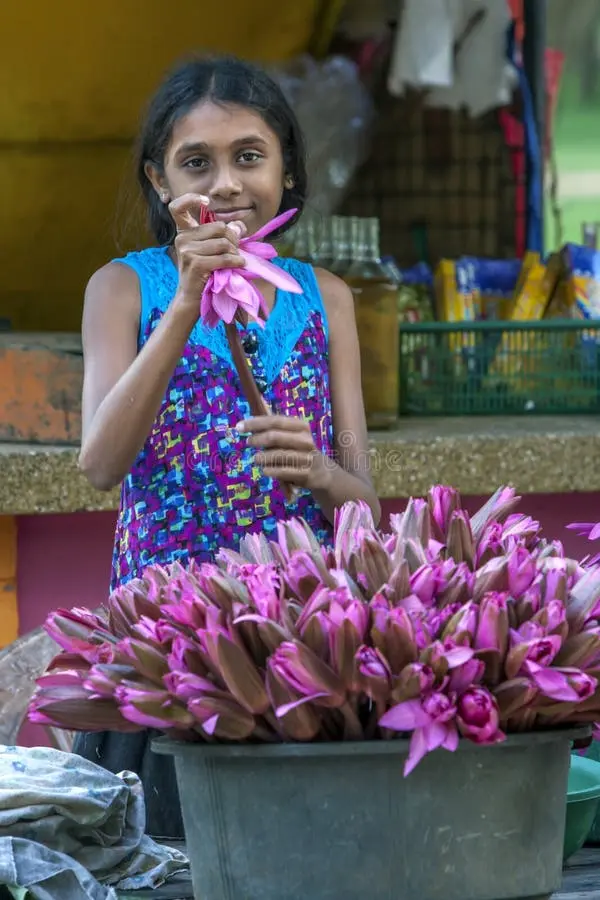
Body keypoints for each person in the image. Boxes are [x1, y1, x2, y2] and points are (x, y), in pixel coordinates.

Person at [73, 54, 381, 839]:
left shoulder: (329, 300)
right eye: (196, 163)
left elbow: (365, 503)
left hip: (303, 651)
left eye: (250, 156)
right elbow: (100, 465)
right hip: (165, 655)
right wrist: (182, 303)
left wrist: (318, 467)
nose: (227, 186)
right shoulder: (122, 289)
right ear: (158, 180)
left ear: (286, 168)